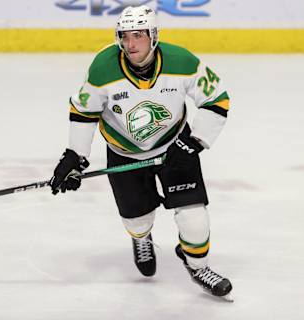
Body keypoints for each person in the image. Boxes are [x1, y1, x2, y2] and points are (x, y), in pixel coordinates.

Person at [49, 5, 233, 300]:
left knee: (194, 219)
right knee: (137, 221)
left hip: (175, 146)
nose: (131, 44)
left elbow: (216, 99)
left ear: (153, 36)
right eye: (124, 36)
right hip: (123, 153)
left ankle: (198, 267)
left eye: (138, 35)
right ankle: (142, 237)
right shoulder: (103, 68)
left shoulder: (182, 61)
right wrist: (74, 157)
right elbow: (84, 112)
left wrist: (194, 141)